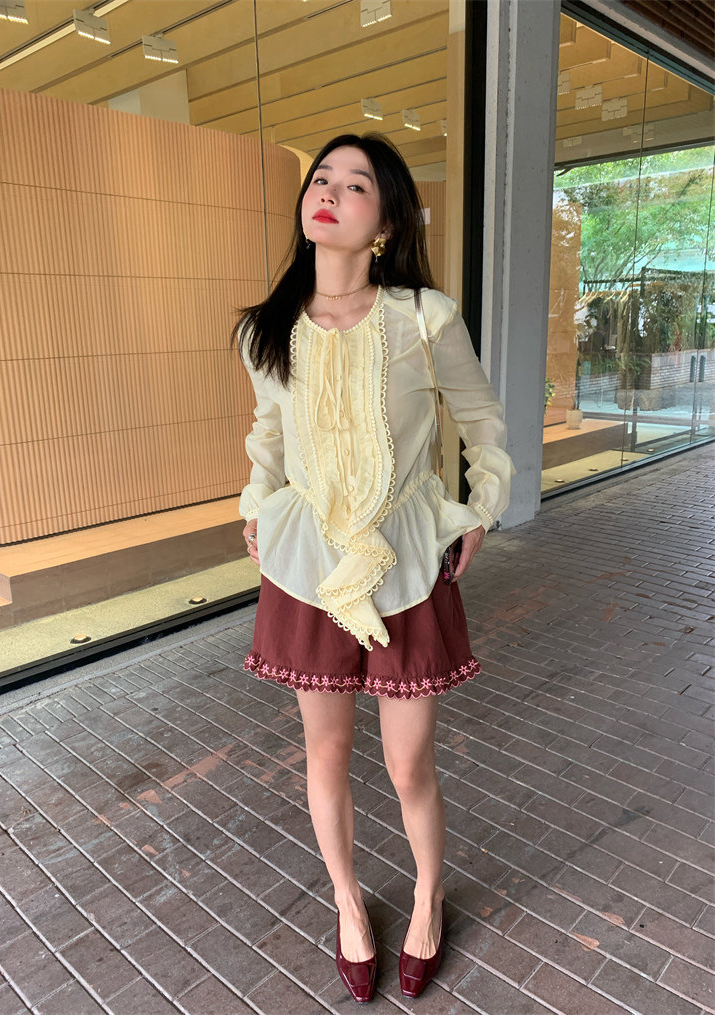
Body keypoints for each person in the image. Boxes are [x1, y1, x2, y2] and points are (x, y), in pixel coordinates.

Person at [233, 133, 513, 1004]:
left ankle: (428, 898)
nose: (330, 191)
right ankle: (349, 905)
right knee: (324, 750)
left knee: (408, 764)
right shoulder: (266, 328)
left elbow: (482, 421)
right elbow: (267, 436)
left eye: (355, 184)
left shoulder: (425, 318)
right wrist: (256, 504)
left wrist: (481, 508)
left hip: (406, 562)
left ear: (386, 221)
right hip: (307, 562)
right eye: (321, 178)